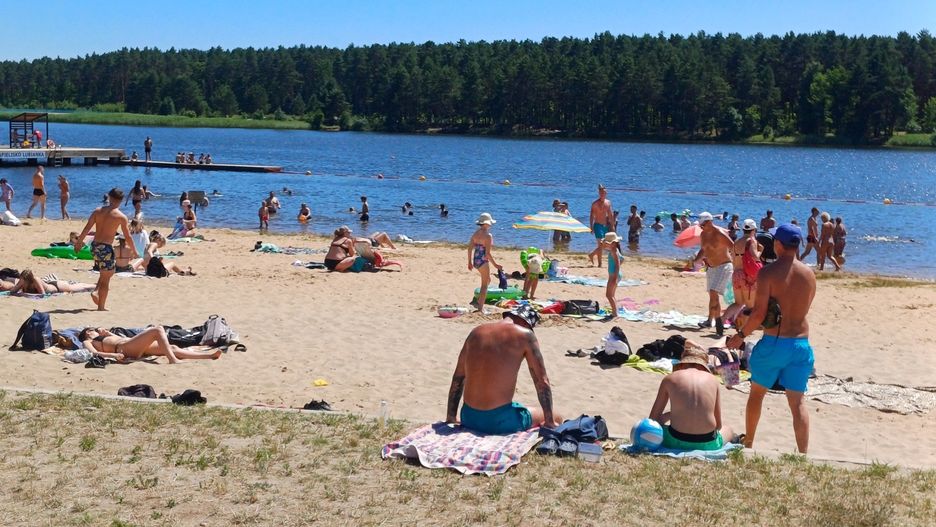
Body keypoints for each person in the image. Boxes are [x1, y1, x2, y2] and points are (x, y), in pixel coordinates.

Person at [728, 224, 816, 453]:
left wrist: (740, 336)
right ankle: (803, 454)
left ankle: (749, 444)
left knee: (757, 394)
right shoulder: (809, 274)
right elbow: (803, 307)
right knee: (797, 403)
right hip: (801, 344)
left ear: (778, 244)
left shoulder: (767, 273)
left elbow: (758, 314)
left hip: (775, 343)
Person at [445, 305, 560, 433]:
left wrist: (451, 417)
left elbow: (458, 377)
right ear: (524, 322)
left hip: (468, 417)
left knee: (515, 406)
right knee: (557, 416)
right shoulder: (525, 335)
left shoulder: (475, 332)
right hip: (499, 422)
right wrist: (549, 421)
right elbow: (542, 382)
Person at [649, 342, 735, 451]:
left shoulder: (670, 378)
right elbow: (718, 425)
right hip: (708, 443)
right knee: (728, 430)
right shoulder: (713, 380)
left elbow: (652, 421)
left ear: (682, 364)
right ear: (704, 367)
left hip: (674, 441)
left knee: (660, 429)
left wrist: (670, 415)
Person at [75, 188, 137, 310]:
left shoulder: (97, 211)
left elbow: (87, 228)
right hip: (106, 248)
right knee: (107, 276)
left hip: (95, 246)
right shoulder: (121, 216)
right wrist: (134, 251)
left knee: (106, 273)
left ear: (109, 197)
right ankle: (101, 306)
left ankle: (96, 291)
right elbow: (127, 236)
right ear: (121, 200)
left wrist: (79, 242)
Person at [79, 326, 221, 364]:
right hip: (124, 349)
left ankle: (208, 356)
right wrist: (113, 355)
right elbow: (94, 353)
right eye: (91, 330)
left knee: (172, 348)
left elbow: (120, 338)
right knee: (157, 330)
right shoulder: (88, 341)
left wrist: (107, 333)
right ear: (87, 333)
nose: (94, 331)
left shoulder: (104, 335)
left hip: (130, 344)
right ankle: (173, 360)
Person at [692, 212, 733, 336]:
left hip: (724, 266)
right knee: (712, 295)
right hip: (711, 267)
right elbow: (704, 249)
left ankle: (719, 321)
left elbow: (733, 247)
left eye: (703, 224)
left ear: (709, 221)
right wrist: (696, 259)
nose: (701, 227)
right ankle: (710, 321)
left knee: (714, 292)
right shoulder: (703, 234)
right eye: (700, 225)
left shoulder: (720, 233)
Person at [468, 213, 504, 313]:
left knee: (487, 279)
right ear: (486, 224)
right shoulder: (488, 236)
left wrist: (469, 262)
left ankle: (480, 300)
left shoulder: (476, 233)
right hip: (483, 260)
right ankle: (480, 309)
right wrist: (496, 265)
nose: (490, 225)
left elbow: (470, 248)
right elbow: (487, 254)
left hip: (476, 260)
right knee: (484, 285)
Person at [730, 219, 762, 321]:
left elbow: (733, 260)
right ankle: (744, 326)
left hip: (736, 273)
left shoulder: (736, 242)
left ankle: (722, 319)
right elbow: (755, 256)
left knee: (738, 303)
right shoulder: (751, 241)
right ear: (753, 230)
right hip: (747, 275)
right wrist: (761, 251)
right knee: (750, 305)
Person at [8, 268, 97, 295]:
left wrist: (24, 294)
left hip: (56, 287)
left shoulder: (36, 280)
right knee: (76, 286)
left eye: (23, 279)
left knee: (76, 288)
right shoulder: (22, 280)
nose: (22, 281)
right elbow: (13, 291)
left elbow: (42, 294)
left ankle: (95, 285)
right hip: (52, 285)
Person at [588, 184, 614, 267]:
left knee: (605, 245)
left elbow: (610, 214)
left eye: (604, 193)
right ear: (599, 193)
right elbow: (591, 215)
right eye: (601, 192)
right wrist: (591, 226)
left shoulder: (608, 202)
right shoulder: (595, 203)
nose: (602, 194)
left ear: (606, 193)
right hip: (597, 225)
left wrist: (612, 225)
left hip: (605, 226)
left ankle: (592, 254)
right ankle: (600, 264)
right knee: (600, 245)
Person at [602, 232, 623, 319]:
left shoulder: (614, 251)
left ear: (613, 243)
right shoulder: (614, 249)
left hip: (614, 275)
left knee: (609, 295)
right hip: (615, 274)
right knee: (612, 295)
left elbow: (618, 264)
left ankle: (614, 313)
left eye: (608, 242)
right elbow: (622, 259)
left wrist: (615, 276)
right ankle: (615, 312)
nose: (606, 244)